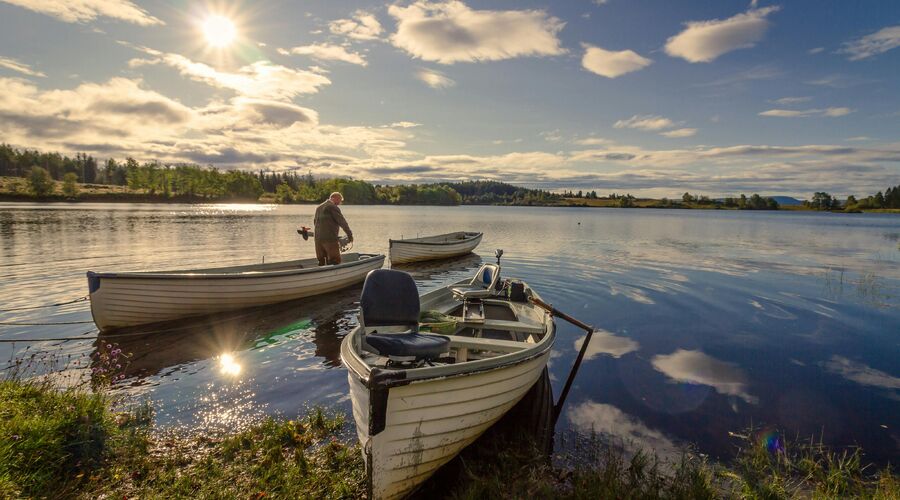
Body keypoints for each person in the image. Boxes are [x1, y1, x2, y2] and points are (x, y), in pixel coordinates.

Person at [313, 192, 353, 266]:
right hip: (329, 239)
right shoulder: (332, 207)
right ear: (335, 198)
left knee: (322, 261)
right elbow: (342, 222)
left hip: (317, 239)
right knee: (335, 260)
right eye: (340, 201)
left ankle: (322, 276)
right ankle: (335, 276)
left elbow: (315, 222)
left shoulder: (319, 207)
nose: (340, 203)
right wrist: (349, 235)